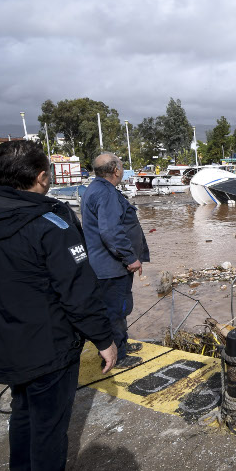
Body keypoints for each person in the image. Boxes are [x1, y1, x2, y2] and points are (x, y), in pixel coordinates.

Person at [0, 140, 117, 471]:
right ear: (42, 177)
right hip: (47, 348)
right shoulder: (51, 222)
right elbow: (78, 291)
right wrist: (104, 339)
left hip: (0, 343)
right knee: (49, 430)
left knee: (23, 413)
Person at [82, 153, 150, 368]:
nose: (122, 170)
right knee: (116, 310)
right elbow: (111, 232)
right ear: (116, 171)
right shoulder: (106, 193)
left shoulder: (95, 189)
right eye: (121, 166)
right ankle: (118, 355)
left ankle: (121, 344)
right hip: (112, 266)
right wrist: (130, 258)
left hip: (105, 264)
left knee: (115, 309)